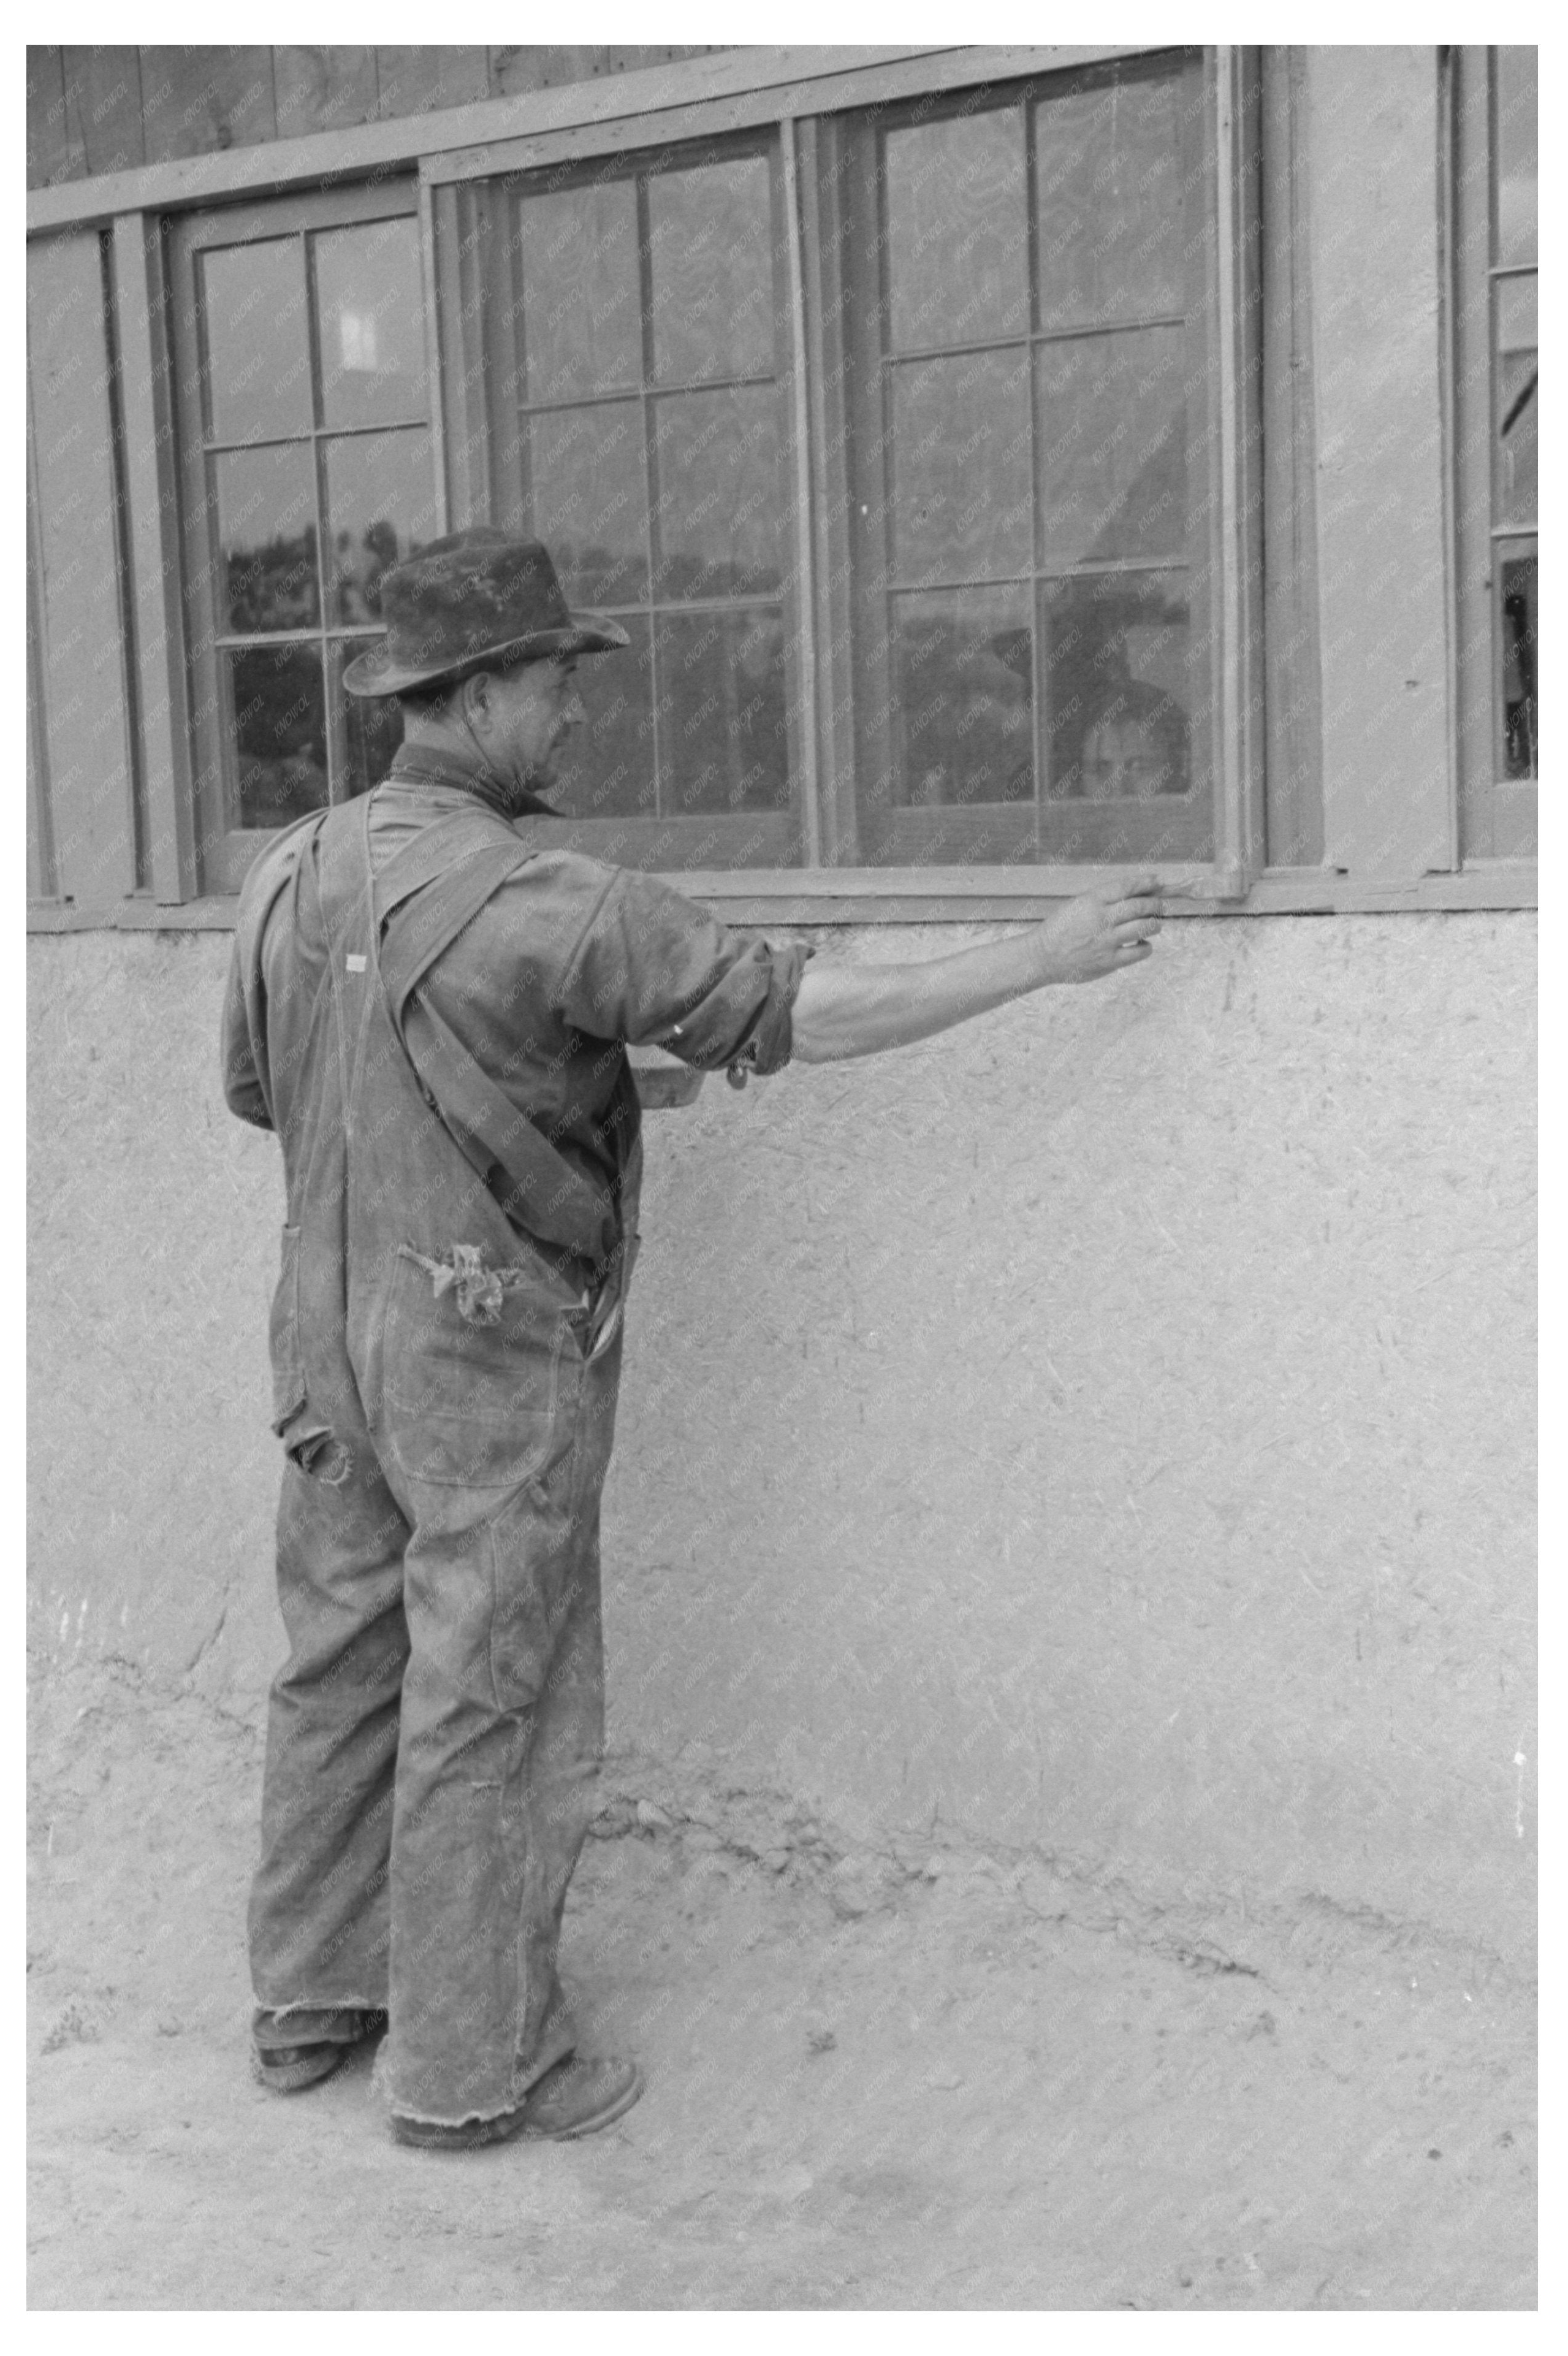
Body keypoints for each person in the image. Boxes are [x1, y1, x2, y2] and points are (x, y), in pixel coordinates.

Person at [223, 528, 1165, 2151]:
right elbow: (815, 1014)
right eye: (553, 681)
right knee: (489, 1696)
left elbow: (266, 1088)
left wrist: (541, 1094)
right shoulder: (552, 901)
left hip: (325, 1340)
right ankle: (468, 2068)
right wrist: (1046, 954)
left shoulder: (288, 873)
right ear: (474, 691)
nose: (575, 713)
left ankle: (310, 2000)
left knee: (334, 1664)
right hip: (480, 1354)